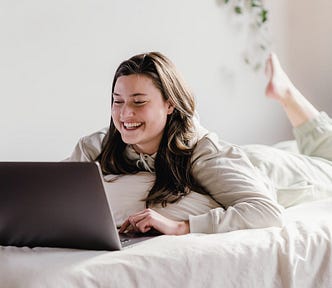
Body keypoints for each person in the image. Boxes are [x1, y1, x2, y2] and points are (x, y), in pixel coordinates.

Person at [67, 52, 332, 235]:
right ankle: (285, 95)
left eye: (139, 102)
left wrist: (182, 226)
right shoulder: (97, 146)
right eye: (118, 100)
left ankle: (287, 94)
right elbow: (50, 192)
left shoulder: (201, 152)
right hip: (252, 155)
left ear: (169, 104)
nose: (125, 114)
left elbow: (266, 211)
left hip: (276, 171)